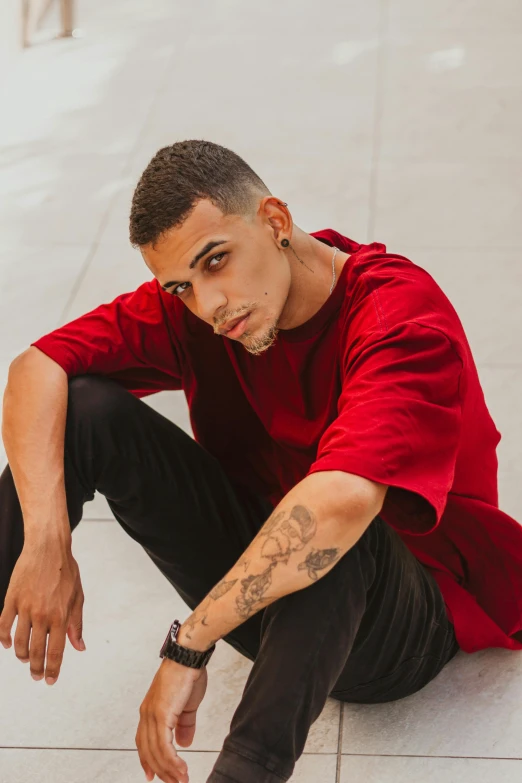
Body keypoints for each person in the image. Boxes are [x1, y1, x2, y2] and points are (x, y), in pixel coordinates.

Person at [0, 139, 521, 783]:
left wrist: (189, 642)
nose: (209, 305)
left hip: (403, 621)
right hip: (275, 602)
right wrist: (45, 539)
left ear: (275, 222)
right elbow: (36, 368)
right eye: (183, 286)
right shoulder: (203, 307)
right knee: (83, 410)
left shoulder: (398, 317)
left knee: (336, 517)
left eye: (216, 262)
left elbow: (339, 506)